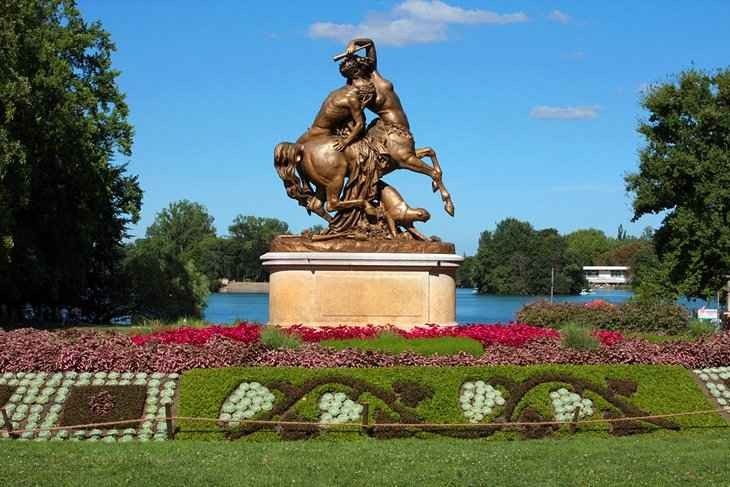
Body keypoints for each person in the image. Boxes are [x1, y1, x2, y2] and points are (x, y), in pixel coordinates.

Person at [338, 38, 454, 216]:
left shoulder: (373, 73)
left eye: (357, 68)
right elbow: (353, 112)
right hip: (389, 128)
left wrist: (353, 43)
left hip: (401, 127)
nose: (357, 73)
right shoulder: (357, 90)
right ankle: (444, 194)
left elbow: (370, 45)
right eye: (353, 73)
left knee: (426, 152)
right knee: (396, 158)